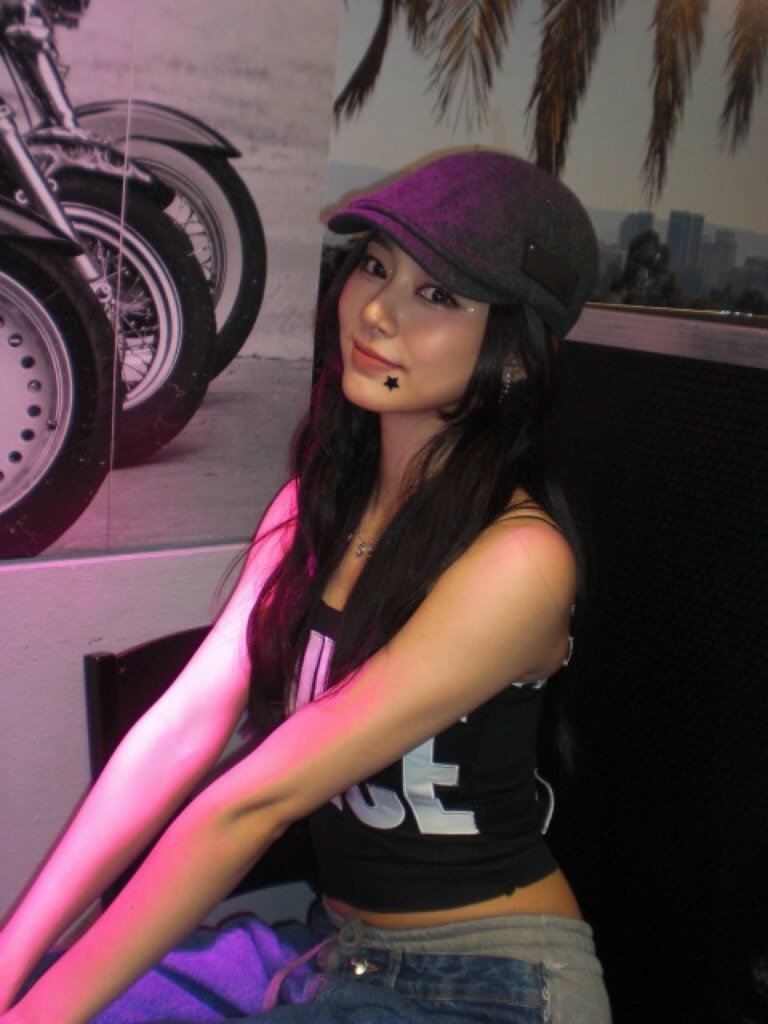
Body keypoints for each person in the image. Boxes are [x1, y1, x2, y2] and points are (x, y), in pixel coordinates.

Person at [0, 149, 611, 1023]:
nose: (377, 310)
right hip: (335, 951)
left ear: (515, 356)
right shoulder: (312, 505)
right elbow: (182, 730)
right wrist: (12, 965)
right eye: (376, 266)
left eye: (438, 295)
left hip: (488, 982)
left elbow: (255, 802)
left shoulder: (519, 559)